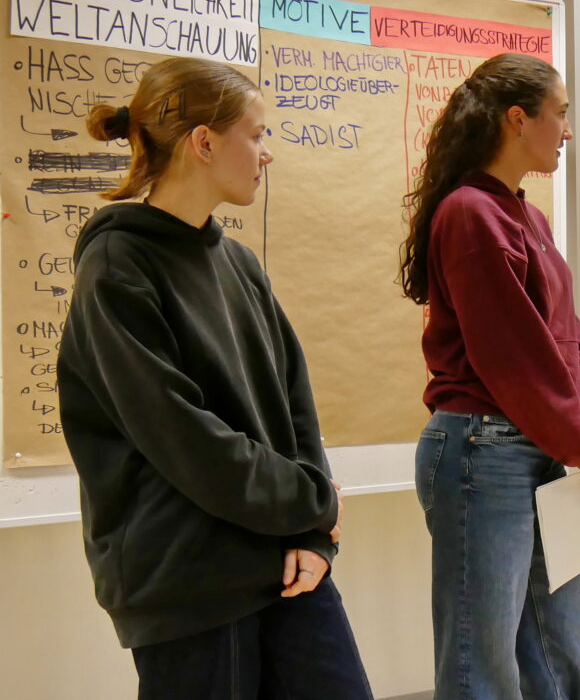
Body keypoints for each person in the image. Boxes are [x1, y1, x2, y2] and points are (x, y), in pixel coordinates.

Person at [58, 57, 373, 700]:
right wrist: (315, 502)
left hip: (282, 562)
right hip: (188, 581)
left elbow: (293, 405)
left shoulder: (239, 263)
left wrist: (315, 534)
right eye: (256, 135)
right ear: (204, 142)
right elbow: (184, 438)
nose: (267, 154)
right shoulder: (118, 266)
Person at [398, 52, 580, 700]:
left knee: (559, 649)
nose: (567, 130)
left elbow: (566, 337)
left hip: (540, 446)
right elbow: (513, 356)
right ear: (517, 119)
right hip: (481, 451)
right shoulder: (470, 212)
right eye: (560, 114)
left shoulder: (530, 217)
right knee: (483, 662)